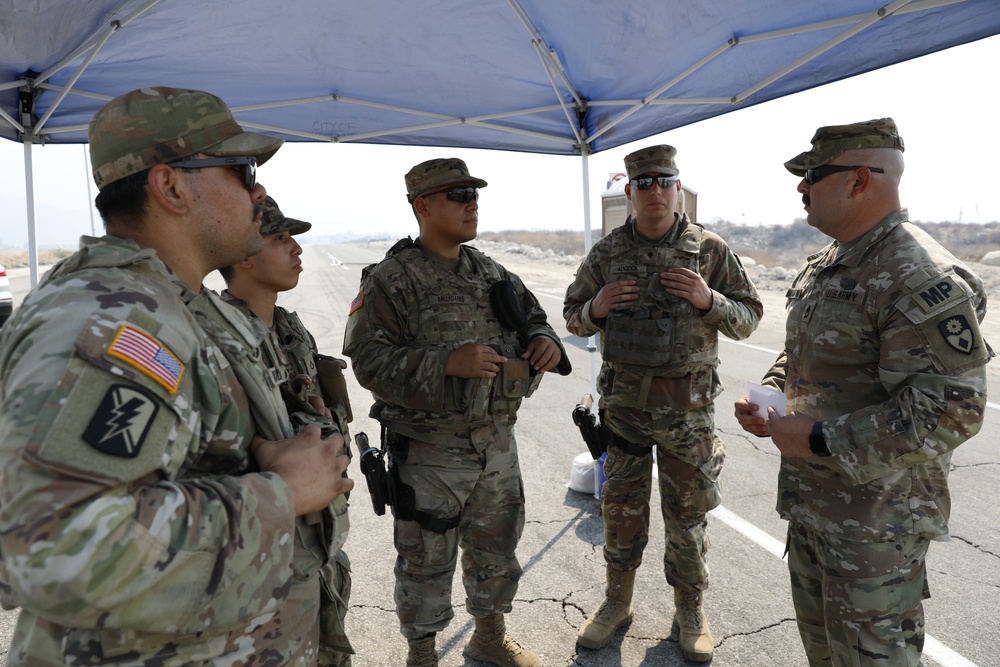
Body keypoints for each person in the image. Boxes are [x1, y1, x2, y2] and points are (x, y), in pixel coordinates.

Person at [0, 86, 353, 666]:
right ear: (170, 186)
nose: (258, 191)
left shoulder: (172, 304)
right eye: (242, 170)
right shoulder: (111, 318)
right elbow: (51, 547)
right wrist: (283, 493)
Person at [734, 118, 991, 666]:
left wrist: (822, 439)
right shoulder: (830, 264)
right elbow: (806, 354)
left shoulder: (918, 275)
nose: (801, 187)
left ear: (857, 180)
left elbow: (953, 411)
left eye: (811, 174)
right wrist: (773, 394)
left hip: (876, 528)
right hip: (815, 511)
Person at [343, 157, 568, 667]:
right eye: (458, 195)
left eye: (474, 193)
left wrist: (543, 339)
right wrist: (448, 364)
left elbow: (534, 316)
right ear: (423, 206)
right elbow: (368, 361)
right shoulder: (391, 280)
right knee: (426, 560)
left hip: (495, 444)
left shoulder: (489, 271)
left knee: (496, 548)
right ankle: (422, 655)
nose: (473, 203)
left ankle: (489, 636)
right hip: (430, 451)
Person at [564, 144, 762, 662]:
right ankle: (617, 604)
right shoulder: (607, 255)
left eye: (664, 181)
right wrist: (596, 306)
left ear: (678, 188)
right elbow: (571, 316)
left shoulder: (709, 250)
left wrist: (708, 300)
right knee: (621, 513)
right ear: (629, 192)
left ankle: (690, 612)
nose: (655, 191)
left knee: (687, 515)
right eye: (644, 183)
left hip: (687, 417)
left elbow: (750, 316)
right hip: (625, 413)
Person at [219, 195, 356, 666]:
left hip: (317, 543)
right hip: (263, 564)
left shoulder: (292, 331)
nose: (296, 249)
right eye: (280, 239)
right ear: (242, 255)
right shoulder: (217, 341)